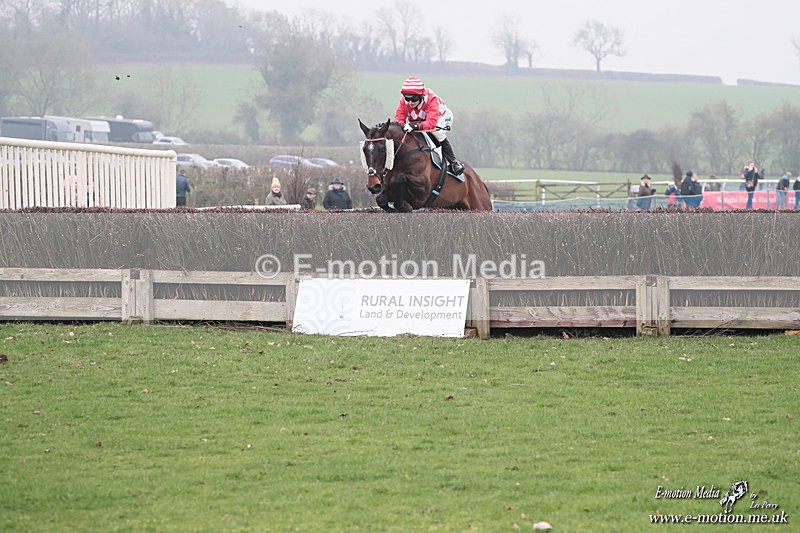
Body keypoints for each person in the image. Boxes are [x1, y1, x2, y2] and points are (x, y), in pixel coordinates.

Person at [393, 76, 464, 176]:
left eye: (413, 99)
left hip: (441, 117)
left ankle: (453, 162)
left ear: (420, 96)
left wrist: (415, 127)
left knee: (437, 132)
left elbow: (431, 123)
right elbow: (399, 118)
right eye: (407, 98)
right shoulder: (404, 102)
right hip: (421, 120)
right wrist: (401, 126)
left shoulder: (431, 98)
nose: (410, 102)